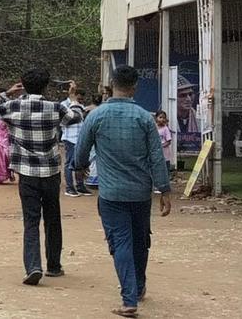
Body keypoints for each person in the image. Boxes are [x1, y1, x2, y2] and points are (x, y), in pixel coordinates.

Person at [74, 65, 171, 317]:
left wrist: (79, 168)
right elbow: (157, 158)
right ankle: (138, 287)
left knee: (121, 242)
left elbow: (81, 150)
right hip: (141, 192)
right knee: (141, 241)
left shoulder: (96, 116)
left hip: (111, 193)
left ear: (111, 84)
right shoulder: (144, 118)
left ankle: (129, 299)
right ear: (135, 86)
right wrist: (165, 190)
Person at [0, 69, 83, 285]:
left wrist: (7, 93)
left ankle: (33, 266)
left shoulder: (12, 106)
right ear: (46, 86)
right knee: (52, 218)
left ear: (23, 84)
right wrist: (73, 98)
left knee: (31, 220)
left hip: (26, 173)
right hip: (50, 172)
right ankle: (54, 266)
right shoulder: (55, 108)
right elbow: (76, 117)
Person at [61, 82, 91, 197]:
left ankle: (80, 186)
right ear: (75, 94)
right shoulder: (64, 105)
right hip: (70, 138)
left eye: (82, 99)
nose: (81, 101)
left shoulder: (81, 106)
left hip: (80, 138)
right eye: (79, 98)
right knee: (70, 163)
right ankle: (69, 187)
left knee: (80, 163)